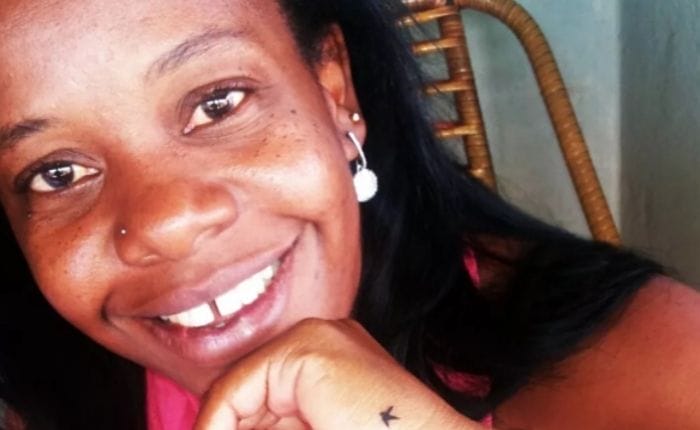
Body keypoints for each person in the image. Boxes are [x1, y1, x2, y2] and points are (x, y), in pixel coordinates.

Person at [1, 0, 699, 429]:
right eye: (57, 173)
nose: (166, 224)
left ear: (333, 90)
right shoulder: (57, 379)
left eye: (218, 103)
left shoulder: (650, 358)